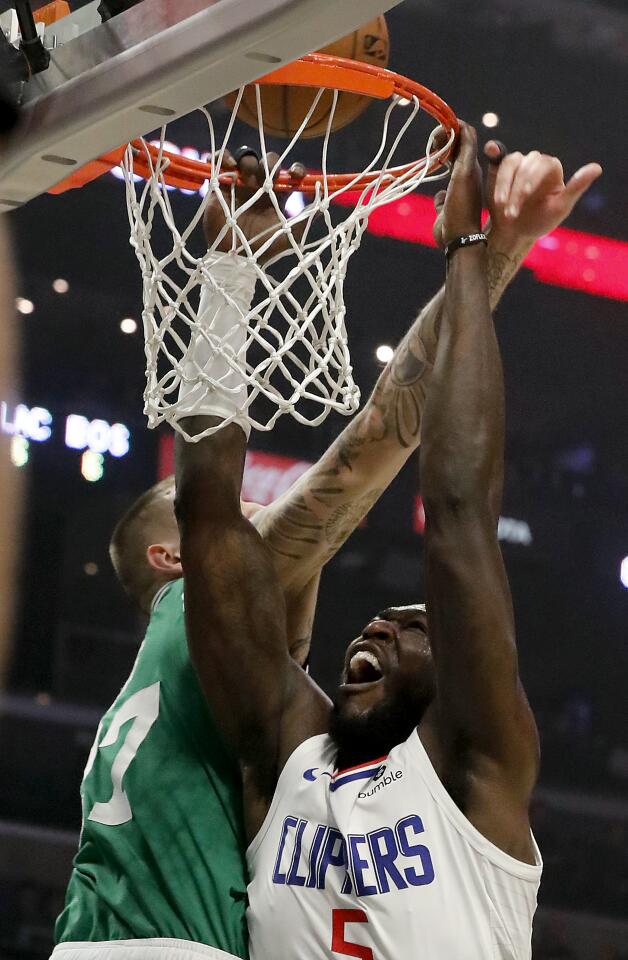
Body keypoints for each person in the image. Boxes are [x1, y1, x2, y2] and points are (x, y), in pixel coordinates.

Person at [53, 136, 601, 960]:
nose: (374, 629)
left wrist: (470, 254)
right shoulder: (282, 738)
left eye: (410, 628)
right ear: (171, 563)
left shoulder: (475, 768)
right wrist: (473, 257)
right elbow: (224, 502)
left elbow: (454, 516)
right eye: (253, 510)